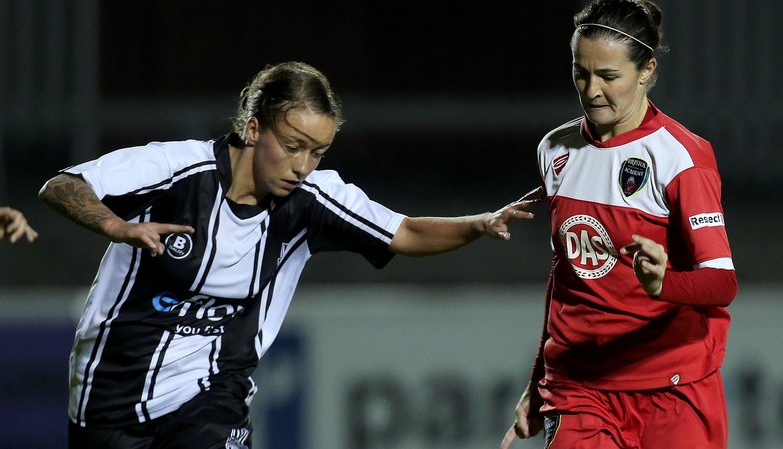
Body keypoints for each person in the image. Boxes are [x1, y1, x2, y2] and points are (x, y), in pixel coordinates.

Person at [38, 61, 542, 449]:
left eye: (317, 151)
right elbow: (63, 185)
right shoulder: (176, 168)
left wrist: (478, 223)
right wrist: (117, 226)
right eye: (293, 144)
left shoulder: (312, 199)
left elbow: (405, 232)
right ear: (254, 129)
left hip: (211, 393)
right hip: (109, 398)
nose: (303, 165)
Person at [499, 1, 737, 448]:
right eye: (580, 73)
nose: (591, 91)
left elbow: (722, 283)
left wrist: (663, 284)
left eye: (609, 77)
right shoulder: (555, 149)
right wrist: (537, 379)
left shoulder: (682, 159)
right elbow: (565, 273)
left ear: (646, 69)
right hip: (580, 387)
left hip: (673, 384)